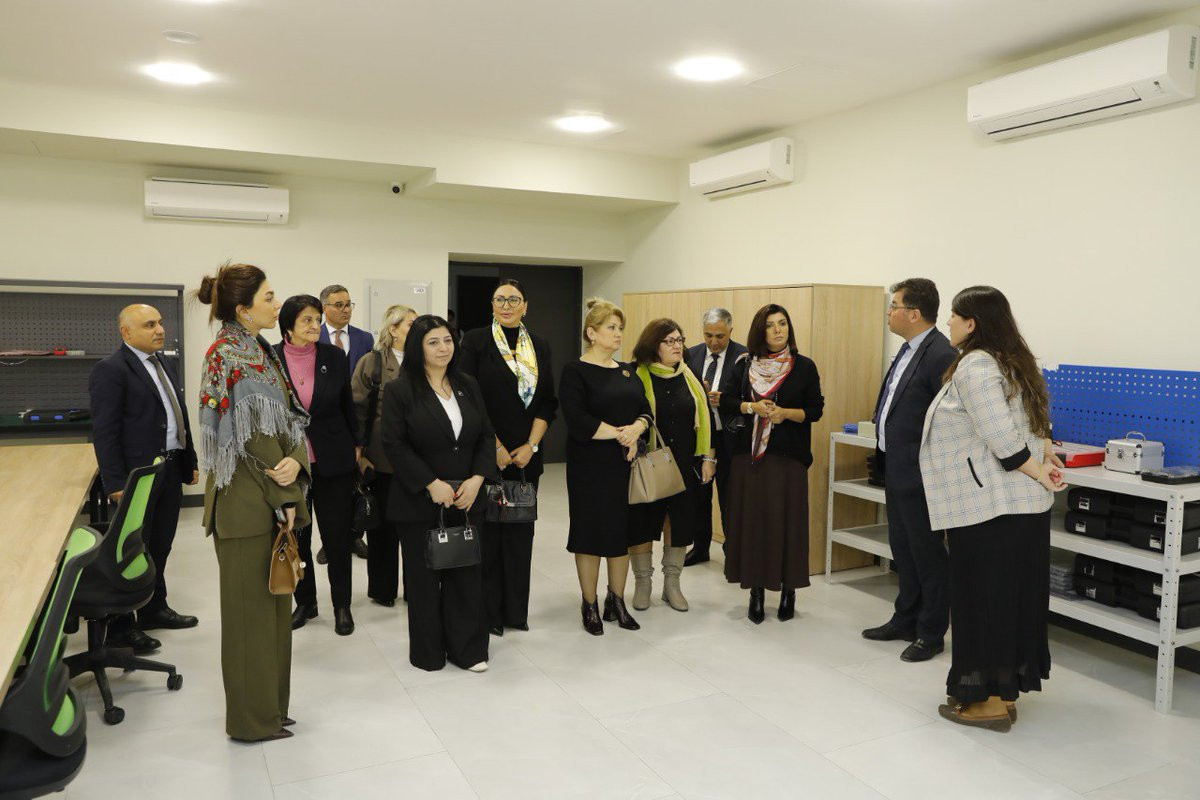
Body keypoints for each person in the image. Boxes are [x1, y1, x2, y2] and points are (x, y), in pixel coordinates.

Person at [921, 285, 1065, 732]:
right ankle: (1003, 692)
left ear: (972, 323)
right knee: (1008, 602)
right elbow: (1034, 424)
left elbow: (1002, 437)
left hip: (990, 509)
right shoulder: (1013, 361)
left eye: (954, 315)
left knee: (981, 603)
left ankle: (985, 702)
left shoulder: (978, 365)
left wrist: (1040, 471)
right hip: (1015, 510)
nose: (948, 322)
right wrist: (1045, 458)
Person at [196, 262, 310, 742]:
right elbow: (254, 439)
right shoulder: (229, 354)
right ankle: (250, 721)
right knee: (249, 622)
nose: (276, 303)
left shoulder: (257, 349)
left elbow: (289, 420)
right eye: (268, 296)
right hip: (247, 505)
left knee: (274, 614)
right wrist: (287, 494)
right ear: (243, 309)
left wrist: (297, 460)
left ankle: (272, 710)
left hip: (265, 500)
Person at [381, 314, 496, 672]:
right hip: (419, 499)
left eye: (447, 340)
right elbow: (394, 444)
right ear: (418, 347)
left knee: (466, 574)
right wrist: (431, 483)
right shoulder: (400, 390)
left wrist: (478, 478)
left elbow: (485, 435)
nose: (443, 348)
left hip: (467, 497)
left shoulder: (467, 384)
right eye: (433, 342)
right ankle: (428, 653)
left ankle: (468, 650)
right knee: (424, 579)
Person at [89, 303, 201, 654]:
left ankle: (153, 607)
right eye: (149, 325)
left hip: (170, 467)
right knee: (133, 548)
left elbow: (178, 415)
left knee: (161, 544)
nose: (160, 330)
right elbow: (105, 432)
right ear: (126, 332)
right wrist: (115, 483)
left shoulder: (163, 362)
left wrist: (189, 459)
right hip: (137, 476)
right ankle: (121, 625)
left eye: (160, 323)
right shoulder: (111, 370)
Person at [860, 279, 958, 663]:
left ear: (914, 314)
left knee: (928, 554)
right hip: (896, 465)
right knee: (903, 548)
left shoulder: (941, 354)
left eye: (895, 306)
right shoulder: (907, 348)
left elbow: (950, 420)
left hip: (922, 474)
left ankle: (931, 633)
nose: (889, 312)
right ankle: (905, 619)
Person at [459, 279, 558, 636]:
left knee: (520, 534)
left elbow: (547, 401)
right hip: (488, 454)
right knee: (489, 536)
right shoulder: (475, 341)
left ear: (525, 306)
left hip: (526, 457)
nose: (506, 305)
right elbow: (469, 398)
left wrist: (531, 445)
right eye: (499, 299)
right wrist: (496, 447)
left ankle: (516, 612)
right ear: (492, 305)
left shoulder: (540, 345)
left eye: (514, 300)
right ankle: (490, 615)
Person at [720, 304, 824, 624]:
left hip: (788, 458)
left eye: (783, 323)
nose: (778, 330)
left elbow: (815, 409)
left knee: (788, 524)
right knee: (754, 524)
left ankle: (789, 590)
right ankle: (756, 592)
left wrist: (785, 414)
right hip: (749, 458)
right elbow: (727, 402)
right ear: (759, 331)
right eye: (770, 325)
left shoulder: (803, 366)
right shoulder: (745, 365)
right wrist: (751, 407)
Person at [559, 298, 652, 635]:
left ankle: (617, 600)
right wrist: (621, 435)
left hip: (624, 465)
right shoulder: (575, 371)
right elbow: (577, 418)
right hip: (589, 465)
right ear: (591, 332)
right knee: (589, 533)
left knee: (620, 533)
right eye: (611, 327)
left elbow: (645, 410)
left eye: (620, 328)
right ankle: (590, 603)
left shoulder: (627, 371)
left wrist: (637, 430)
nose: (618, 334)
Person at [274, 295, 361, 636]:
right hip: (290, 464)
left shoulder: (333, 356)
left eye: (316, 319)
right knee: (298, 536)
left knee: (337, 537)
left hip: (333, 459)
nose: (315, 326)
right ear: (288, 326)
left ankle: (342, 605)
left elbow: (346, 404)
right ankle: (305, 602)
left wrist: (357, 445)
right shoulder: (271, 357)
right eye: (307, 320)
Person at [627, 318, 714, 612]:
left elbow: (705, 418)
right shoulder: (637, 375)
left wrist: (708, 458)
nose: (677, 346)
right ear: (654, 345)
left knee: (678, 523)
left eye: (680, 340)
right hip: (647, 464)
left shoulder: (689, 375)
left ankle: (672, 585)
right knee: (642, 523)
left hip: (685, 463)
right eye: (670, 341)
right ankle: (643, 583)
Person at [352, 303, 418, 607]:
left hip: (418, 462)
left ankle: (417, 588)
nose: (417, 330)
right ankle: (383, 590)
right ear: (393, 329)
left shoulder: (425, 362)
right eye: (410, 324)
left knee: (416, 530)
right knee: (382, 530)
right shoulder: (372, 362)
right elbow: (357, 411)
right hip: (382, 461)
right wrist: (359, 454)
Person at [683, 307, 746, 566]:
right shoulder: (691, 355)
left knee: (731, 497)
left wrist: (725, 401)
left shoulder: (744, 357)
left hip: (731, 437)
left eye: (720, 336)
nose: (714, 342)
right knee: (699, 496)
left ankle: (734, 551)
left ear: (731, 331)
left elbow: (750, 398)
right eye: (708, 335)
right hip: (701, 438)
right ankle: (700, 548)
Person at [319, 283, 372, 562]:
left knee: (357, 482)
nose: (345, 310)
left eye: (348, 304)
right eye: (338, 305)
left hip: (358, 419)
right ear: (324, 308)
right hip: (327, 422)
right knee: (329, 487)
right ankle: (330, 541)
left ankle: (354, 536)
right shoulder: (315, 337)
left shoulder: (364, 338)